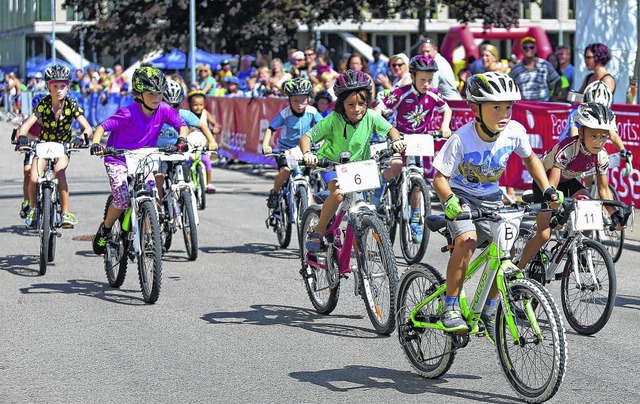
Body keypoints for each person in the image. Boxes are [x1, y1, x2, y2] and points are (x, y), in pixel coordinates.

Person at [431, 72, 560, 336]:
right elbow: (440, 179)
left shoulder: (514, 131)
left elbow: (531, 159)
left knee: (505, 249)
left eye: (508, 107)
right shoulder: (461, 138)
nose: (504, 113)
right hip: (462, 198)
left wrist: (547, 188)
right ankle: (451, 306)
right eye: (496, 107)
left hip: (491, 199)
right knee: (466, 241)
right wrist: (451, 201)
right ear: (475, 109)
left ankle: (489, 309)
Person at [299, 70, 406, 252]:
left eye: (362, 104)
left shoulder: (371, 116)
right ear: (341, 105)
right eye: (350, 104)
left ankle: (362, 267)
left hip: (358, 169)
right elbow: (306, 138)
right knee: (339, 193)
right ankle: (318, 231)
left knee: (359, 213)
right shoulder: (332, 119)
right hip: (331, 165)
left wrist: (396, 140)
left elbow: (391, 130)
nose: (357, 109)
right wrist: (308, 153)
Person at [90, 66, 189, 256]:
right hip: (119, 157)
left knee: (151, 194)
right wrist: (96, 144)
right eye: (151, 93)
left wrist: (182, 140)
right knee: (121, 198)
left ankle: (149, 235)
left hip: (145, 157)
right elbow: (102, 127)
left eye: (159, 93)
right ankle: (106, 230)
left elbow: (182, 125)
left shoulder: (164, 110)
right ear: (139, 94)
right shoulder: (128, 113)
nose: (156, 98)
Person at [517, 103, 624, 272]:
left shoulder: (602, 156)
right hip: (546, 183)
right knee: (544, 234)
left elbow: (603, 190)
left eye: (604, 136)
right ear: (581, 133)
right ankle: (518, 269)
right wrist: (554, 207)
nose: (599, 142)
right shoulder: (567, 149)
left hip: (568, 181)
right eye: (594, 136)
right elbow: (552, 183)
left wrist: (615, 215)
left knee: (591, 210)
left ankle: (577, 246)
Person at [376, 54, 453, 243]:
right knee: (395, 167)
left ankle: (416, 220)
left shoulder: (434, 94)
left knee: (417, 181)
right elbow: (379, 109)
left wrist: (445, 126)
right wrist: (383, 128)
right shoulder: (401, 93)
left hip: (419, 140)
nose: (426, 83)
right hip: (399, 138)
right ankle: (379, 187)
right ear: (412, 77)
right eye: (422, 80)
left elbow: (447, 109)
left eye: (429, 79)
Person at [17, 64, 93, 229]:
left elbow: (88, 128)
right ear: (48, 86)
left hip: (63, 146)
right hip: (43, 145)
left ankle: (65, 213)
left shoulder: (72, 105)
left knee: (60, 173)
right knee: (33, 177)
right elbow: (26, 125)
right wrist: (22, 137)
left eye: (62, 86)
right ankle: (32, 208)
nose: (59, 90)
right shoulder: (43, 104)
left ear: (68, 87)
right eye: (55, 86)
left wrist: (82, 138)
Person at [262, 78, 323, 210]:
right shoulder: (285, 113)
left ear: (308, 98)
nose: (300, 104)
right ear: (289, 100)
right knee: (285, 171)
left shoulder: (312, 112)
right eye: (295, 100)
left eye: (303, 99)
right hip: (287, 149)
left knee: (313, 174)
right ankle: (275, 192)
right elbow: (270, 129)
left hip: (306, 149)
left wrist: (323, 143)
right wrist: (266, 144)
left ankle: (309, 206)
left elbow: (323, 128)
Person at [155, 79, 218, 202]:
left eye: (175, 105)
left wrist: (212, 141)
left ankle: (184, 202)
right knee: (158, 177)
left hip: (178, 153)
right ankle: (158, 204)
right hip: (159, 154)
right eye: (168, 105)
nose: (171, 109)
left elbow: (203, 126)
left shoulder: (185, 114)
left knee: (183, 179)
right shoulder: (154, 115)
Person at [558, 80, 630, 164]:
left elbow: (613, 135)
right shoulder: (577, 112)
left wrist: (623, 150)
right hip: (566, 150)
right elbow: (575, 137)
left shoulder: (606, 115)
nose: (598, 113)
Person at [188, 90, 222, 193]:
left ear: (204, 105)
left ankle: (209, 183)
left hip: (203, 144)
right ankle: (191, 181)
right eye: (195, 105)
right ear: (190, 105)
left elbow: (215, 124)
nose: (198, 107)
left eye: (200, 105)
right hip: (191, 144)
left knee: (207, 161)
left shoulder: (205, 113)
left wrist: (216, 128)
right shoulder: (188, 115)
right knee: (188, 162)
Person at [509, 37, 560, 101]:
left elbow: (558, 81)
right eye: (525, 47)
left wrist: (554, 97)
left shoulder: (545, 65)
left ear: (536, 49)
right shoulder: (515, 68)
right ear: (521, 49)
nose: (528, 49)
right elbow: (509, 85)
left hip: (542, 105)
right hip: (524, 106)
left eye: (531, 47)